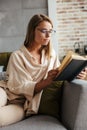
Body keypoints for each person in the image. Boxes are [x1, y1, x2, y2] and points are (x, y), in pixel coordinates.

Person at [0, 14, 87, 127]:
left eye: (51, 31)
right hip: (5, 92)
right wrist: (45, 82)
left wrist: (77, 74)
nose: (48, 35)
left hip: (21, 104)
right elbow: (17, 86)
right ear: (32, 31)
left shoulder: (51, 56)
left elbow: (60, 74)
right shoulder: (17, 56)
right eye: (44, 31)